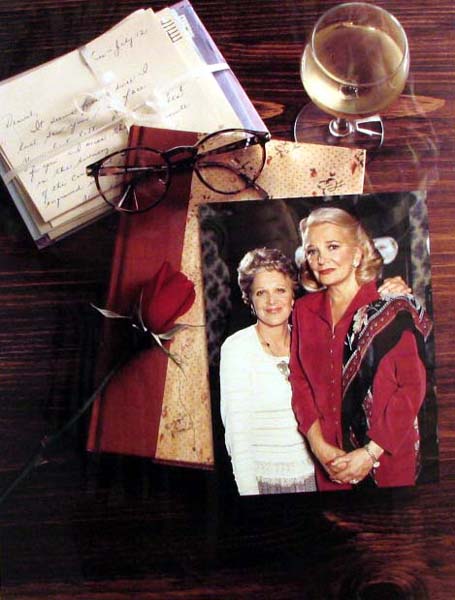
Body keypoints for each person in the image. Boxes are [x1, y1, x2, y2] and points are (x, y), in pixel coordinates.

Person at [289, 207, 432, 491]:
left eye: (333, 246)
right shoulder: (303, 310)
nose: (321, 259)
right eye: (312, 251)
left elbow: (412, 387)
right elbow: (299, 381)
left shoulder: (390, 306)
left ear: (357, 253)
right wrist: (318, 445)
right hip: (330, 463)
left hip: (386, 458)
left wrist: (370, 453)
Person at [220, 247, 316, 495]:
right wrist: (250, 495)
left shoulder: (308, 341)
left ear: (293, 295)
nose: (272, 301)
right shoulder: (237, 348)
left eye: (280, 290)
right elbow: (237, 436)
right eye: (261, 292)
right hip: (265, 483)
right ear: (250, 299)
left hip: (316, 478)